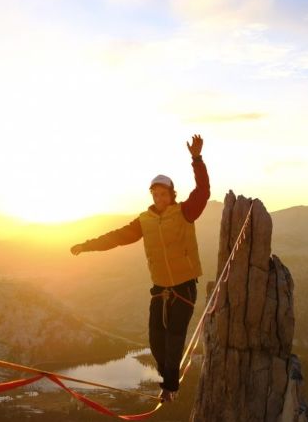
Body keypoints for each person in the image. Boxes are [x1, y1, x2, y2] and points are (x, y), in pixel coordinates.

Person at [70, 135, 210, 402]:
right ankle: (165, 381)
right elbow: (118, 237)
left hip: (184, 286)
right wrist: (87, 245)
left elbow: (203, 191)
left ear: (171, 195)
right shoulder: (144, 221)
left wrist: (197, 159)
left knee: (175, 337)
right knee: (156, 339)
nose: (159, 198)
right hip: (160, 288)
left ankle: (169, 387)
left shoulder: (184, 212)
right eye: (155, 194)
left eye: (163, 194)